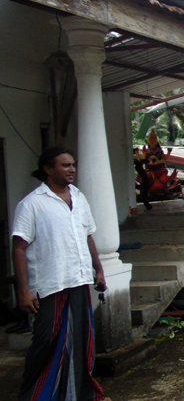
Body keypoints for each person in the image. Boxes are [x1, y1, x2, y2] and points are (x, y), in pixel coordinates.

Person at [12, 146, 109, 401]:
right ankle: (35, 396)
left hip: (79, 279)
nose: (72, 170)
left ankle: (80, 394)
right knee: (46, 342)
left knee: (81, 341)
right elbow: (19, 248)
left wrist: (98, 269)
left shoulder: (79, 197)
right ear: (48, 169)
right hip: (49, 284)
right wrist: (23, 291)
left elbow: (87, 235)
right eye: (65, 165)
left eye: (73, 165)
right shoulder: (32, 204)